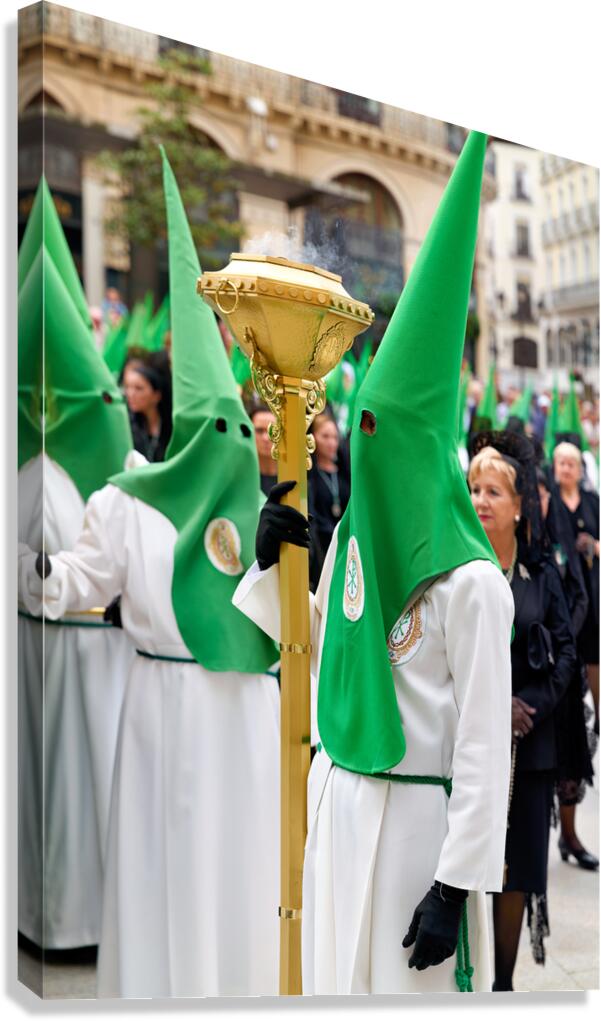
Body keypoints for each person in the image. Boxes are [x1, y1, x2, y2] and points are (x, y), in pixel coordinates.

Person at [235, 131, 514, 994]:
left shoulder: (474, 583)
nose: (365, 450)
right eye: (359, 430)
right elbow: (312, 642)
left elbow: (483, 745)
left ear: (420, 451)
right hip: (340, 807)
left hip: (416, 839)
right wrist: (270, 562)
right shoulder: (353, 546)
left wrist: (455, 881)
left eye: (378, 433)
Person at [19, 149, 280, 998]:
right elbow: (75, 582)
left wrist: (288, 554)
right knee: (163, 870)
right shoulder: (125, 501)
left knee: (233, 877)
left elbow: (298, 630)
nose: (228, 447)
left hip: (241, 719)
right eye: (216, 432)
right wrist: (35, 571)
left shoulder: (264, 510)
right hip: (160, 711)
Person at [17, 178, 135, 950]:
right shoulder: (32, 473)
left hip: (94, 653)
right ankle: (47, 916)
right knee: (48, 785)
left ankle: (80, 917)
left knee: (86, 788)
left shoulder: (119, 472)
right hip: (42, 651)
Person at [469, 433, 577, 990]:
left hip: (528, 748)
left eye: (493, 491)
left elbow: (566, 654)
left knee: (516, 871)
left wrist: (528, 707)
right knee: (472, 864)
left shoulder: (541, 573)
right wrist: (492, 706)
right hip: (469, 744)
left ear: (518, 506)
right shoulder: (458, 570)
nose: (480, 500)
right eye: (474, 489)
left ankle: (503, 989)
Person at [537, 470, 597, 870]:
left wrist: (564, 639)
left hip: (565, 659)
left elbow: (579, 593)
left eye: (544, 495)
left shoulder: (559, 532)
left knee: (570, 755)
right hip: (531, 665)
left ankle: (570, 837)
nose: (539, 501)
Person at [553, 442, 599, 736]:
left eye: (572, 463)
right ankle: (569, 718)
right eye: (562, 463)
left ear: (580, 470)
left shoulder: (592, 501)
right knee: (567, 649)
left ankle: (598, 714)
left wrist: (593, 545)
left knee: (593, 651)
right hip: (562, 588)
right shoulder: (549, 500)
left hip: (591, 587)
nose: (567, 468)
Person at [308, 413, 350, 588]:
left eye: (334, 437)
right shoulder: (310, 476)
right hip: (322, 548)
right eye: (325, 436)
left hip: (345, 546)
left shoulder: (344, 473)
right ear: (312, 438)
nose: (332, 442)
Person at [122, 352, 172, 462]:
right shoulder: (128, 424)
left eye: (138, 388)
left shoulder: (172, 427)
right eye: (127, 387)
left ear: (156, 395)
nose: (130, 394)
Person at [250, 403, 278, 496]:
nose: (266, 438)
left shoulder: (296, 481)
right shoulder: (239, 480)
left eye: (272, 432)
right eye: (259, 431)